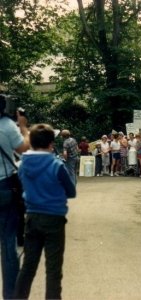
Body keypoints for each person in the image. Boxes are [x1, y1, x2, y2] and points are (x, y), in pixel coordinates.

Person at [14, 123, 76, 300]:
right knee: (53, 270)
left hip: (32, 217)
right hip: (54, 219)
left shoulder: (22, 164)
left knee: (28, 267)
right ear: (51, 145)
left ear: (31, 143)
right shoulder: (57, 165)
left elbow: (20, 185)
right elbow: (71, 191)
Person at [0, 95, 30, 299]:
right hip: (4, 187)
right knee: (8, 243)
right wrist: (23, 127)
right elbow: (23, 148)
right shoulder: (7, 126)